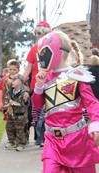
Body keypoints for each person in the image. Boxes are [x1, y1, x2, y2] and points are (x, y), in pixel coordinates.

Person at [32, 30, 99, 173]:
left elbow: (92, 102)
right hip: (52, 141)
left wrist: (95, 123)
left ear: (60, 52)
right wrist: (39, 86)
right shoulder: (45, 77)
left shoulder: (77, 75)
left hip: (77, 140)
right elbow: (37, 105)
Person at [23, 21, 51, 146]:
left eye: (39, 33)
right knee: (36, 114)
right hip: (36, 85)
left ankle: (45, 138)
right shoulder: (34, 49)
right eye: (35, 33)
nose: (36, 35)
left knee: (47, 113)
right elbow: (28, 68)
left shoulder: (52, 48)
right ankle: (39, 137)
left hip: (51, 84)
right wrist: (22, 80)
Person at [3, 74, 29, 151]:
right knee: (9, 127)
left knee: (20, 129)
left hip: (20, 114)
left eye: (14, 80)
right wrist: (7, 105)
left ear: (20, 82)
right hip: (11, 113)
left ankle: (21, 143)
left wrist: (25, 100)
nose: (12, 82)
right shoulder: (10, 91)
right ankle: (11, 141)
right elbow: (7, 99)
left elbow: (26, 104)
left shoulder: (24, 92)